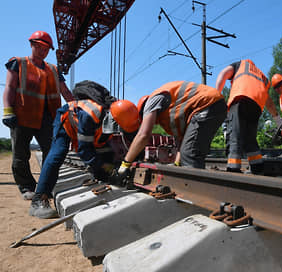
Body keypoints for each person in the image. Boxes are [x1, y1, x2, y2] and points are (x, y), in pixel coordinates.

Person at [29, 80, 140, 219]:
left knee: (106, 151)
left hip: (91, 123)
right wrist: (110, 169)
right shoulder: (91, 115)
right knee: (57, 154)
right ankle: (39, 199)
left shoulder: (119, 113)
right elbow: (85, 151)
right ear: (114, 120)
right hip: (67, 119)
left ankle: (103, 179)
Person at [2, 31, 74, 200]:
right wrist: (7, 111)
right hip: (22, 117)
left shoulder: (54, 69)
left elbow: (65, 92)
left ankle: (46, 186)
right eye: (40, 47)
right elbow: (10, 88)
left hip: (48, 119)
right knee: (20, 155)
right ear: (32, 45)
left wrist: (76, 107)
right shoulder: (18, 63)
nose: (43, 51)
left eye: (46, 48)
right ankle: (27, 187)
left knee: (53, 153)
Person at [116, 80, 227, 177]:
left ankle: (195, 194)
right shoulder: (170, 114)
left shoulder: (151, 102)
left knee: (190, 155)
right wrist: (177, 164)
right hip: (216, 104)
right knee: (190, 152)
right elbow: (182, 141)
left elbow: (143, 135)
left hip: (208, 104)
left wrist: (125, 163)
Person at [215, 59, 280, 174]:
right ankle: (257, 167)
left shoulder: (241, 65)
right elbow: (269, 102)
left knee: (235, 134)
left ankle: (233, 168)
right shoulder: (262, 76)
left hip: (240, 98)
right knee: (250, 138)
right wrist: (278, 120)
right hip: (256, 106)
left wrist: (216, 96)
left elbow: (223, 74)